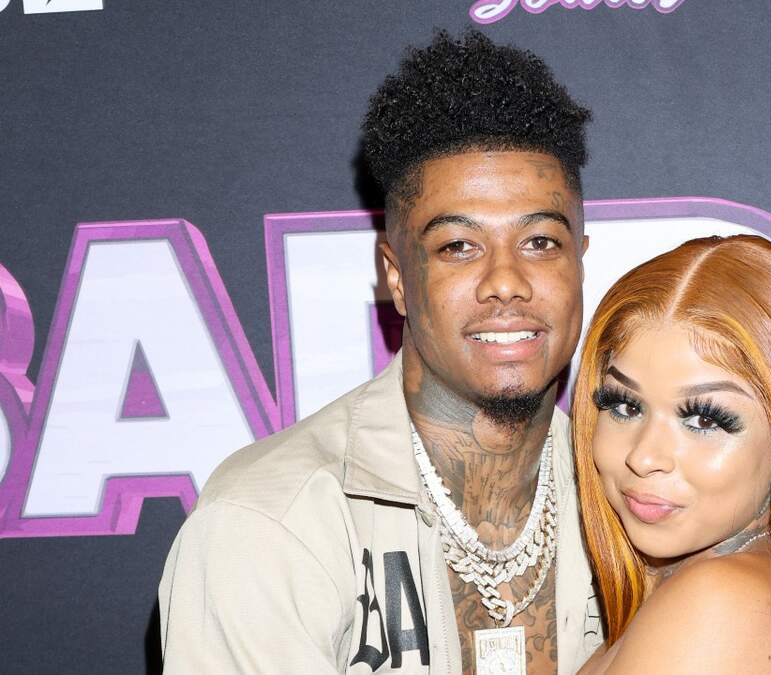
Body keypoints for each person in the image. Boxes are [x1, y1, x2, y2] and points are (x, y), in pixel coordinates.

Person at [159, 30, 603, 674]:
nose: (506, 282)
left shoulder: (636, 500)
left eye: (540, 242)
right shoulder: (265, 522)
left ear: (580, 264)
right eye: (458, 246)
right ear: (396, 276)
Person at [570, 235, 771, 674]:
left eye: (704, 420)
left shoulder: (721, 603)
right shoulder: (730, 590)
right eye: (625, 407)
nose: (644, 457)